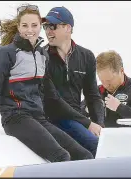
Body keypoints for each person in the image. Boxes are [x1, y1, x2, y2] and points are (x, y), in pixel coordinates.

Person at [0, 4, 94, 162]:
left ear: (40, 27)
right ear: (18, 27)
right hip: (15, 118)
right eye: (25, 25)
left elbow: (51, 95)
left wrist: (85, 122)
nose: (29, 30)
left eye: (34, 25)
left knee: (85, 155)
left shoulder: (42, 55)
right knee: (61, 156)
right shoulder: (4, 54)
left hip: (39, 117)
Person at [41, 6, 104, 158]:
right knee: (95, 146)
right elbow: (52, 101)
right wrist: (88, 124)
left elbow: (93, 95)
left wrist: (100, 126)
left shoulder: (86, 56)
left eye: (53, 26)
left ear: (68, 28)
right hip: (53, 118)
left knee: (103, 143)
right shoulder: (41, 57)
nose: (48, 31)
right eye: (46, 26)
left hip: (77, 119)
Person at [81, 50, 131, 127]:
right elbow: (76, 114)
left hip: (129, 137)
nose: (106, 85)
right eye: (102, 81)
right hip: (103, 137)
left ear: (121, 71)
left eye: (109, 80)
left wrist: (120, 108)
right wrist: (88, 109)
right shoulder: (96, 92)